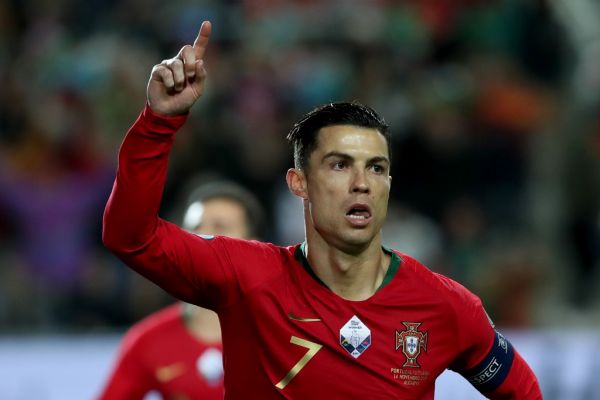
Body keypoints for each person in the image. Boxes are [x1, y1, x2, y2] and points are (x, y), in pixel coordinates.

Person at [102, 21, 543, 399]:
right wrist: (158, 123)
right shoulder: (246, 279)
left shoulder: (446, 306)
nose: (361, 182)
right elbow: (130, 236)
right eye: (339, 165)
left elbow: (521, 390)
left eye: (377, 168)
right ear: (299, 183)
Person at [98, 180, 265, 399]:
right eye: (194, 228)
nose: (201, 238)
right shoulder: (148, 341)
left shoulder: (286, 333)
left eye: (220, 227)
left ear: (254, 245)